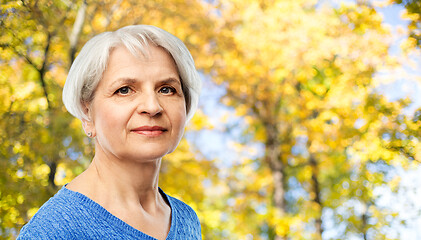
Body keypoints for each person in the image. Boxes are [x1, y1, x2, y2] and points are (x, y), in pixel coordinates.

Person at [18, 25, 202, 240]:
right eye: (124, 90)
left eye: (166, 89)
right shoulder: (53, 231)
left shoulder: (187, 220)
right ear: (87, 112)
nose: (153, 107)